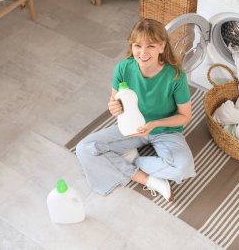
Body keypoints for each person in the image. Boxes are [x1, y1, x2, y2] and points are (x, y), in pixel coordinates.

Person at [75, 18, 195, 202]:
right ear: (131, 46)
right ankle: (147, 180)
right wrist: (113, 106)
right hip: (131, 127)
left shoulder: (176, 77)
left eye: (151, 46)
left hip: (164, 130)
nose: (143, 52)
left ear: (162, 47)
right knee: (84, 148)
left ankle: (133, 160)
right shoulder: (124, 68)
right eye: (137, 45)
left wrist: (155, 124)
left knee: (183, 168)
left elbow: (185, 116)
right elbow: (114, 101)